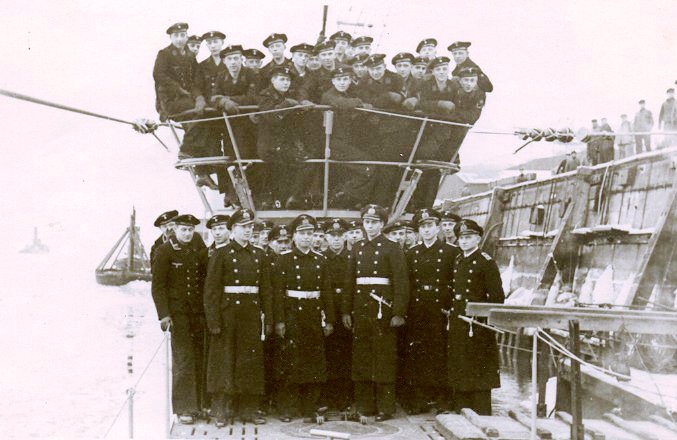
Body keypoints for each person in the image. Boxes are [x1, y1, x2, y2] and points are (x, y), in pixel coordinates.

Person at [203, 209, 273, 426]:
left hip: (251, 315)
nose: (247, 231)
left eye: (250, 227)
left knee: (249, 363)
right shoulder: (221, 254)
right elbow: (211, 291)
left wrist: (268, 319)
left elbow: (266, 290)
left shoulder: (259, 255)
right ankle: (221, 411)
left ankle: (248, 410)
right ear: (233, 229)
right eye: (243, 227)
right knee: (223, 363)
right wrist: (213, 321)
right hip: (227, 316)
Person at [342, 204, 409, 422]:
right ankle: (365, 406)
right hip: (361, 311)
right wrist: (346, 310)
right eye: (367, 222)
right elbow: (350, 282)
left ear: (381, 224)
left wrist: (398, 312)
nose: (369, 226)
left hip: (383, 311)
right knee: (361, 358)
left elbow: (401, 282)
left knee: (383, 358)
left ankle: (385, 408)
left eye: (374, 222)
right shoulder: (358, 247)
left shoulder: (392, 247)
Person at [272, 214, 335, 423]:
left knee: (313, 362)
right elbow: (277, 293)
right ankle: (287, 408)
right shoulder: (284, 259)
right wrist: (280, 320)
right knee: (291, 362)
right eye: (302, 233)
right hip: (292, 314)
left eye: (310, 233)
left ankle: (310, 406)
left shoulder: (320, 259)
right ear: (294, 236)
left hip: (313, 314)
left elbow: (326, 292)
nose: (307, 237)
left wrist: (329, 320)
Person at [151, 214, 208, 425]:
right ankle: (185, 408)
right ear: (175, 229)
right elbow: (158, 286)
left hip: (198, 313)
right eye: (183, 229)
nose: (187, 233)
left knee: (200, 357)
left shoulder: (197, 247)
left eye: (190, 230)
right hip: (178, 314)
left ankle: (200, 405)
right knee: (184, 360)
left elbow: (204, 278)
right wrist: (164, 315)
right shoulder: (164, 251)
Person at [404, 209, 459, 414]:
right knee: (418, 353)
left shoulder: (451, 251)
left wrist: (450, 306)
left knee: (440, 352)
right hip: (418, 307)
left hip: (440, 308)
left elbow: (456, 281)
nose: (426, 230)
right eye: (423, 227)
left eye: (430, 226)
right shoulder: (412, 253)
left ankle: (442, 398)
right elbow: (407, 282)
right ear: (418, 230)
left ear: (437, 228)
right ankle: (419, 399)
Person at [447, 219, 504, 415]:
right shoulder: (458, 260)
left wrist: (484, 319)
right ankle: (461, 408)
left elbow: (497, 296)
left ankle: (481, 410)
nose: (464, 241)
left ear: (478, 239)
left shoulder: (486, 262)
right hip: (459, 321)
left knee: (479, 366)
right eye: (461, 238)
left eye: (468, 237)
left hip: (477, 324)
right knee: (460, 363)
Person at [153, 23, 217, 186]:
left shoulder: (190, 56)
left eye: (183, 35)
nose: (180, 39)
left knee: (205, 115)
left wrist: (199, 97)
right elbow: (159, 76)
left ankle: (202, 171)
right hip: (171, 100)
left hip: (188, 98)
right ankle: (186, 150)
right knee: (199, 114)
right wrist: (180, 90)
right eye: (176, 36)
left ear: (186, 37)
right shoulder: (164, 54)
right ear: (171, 38)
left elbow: (195, 80)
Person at [321, 67, 376, 209]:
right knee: (369, 165)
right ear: (333, 81)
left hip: (345, 143)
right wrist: (360, 102)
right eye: (338, 79)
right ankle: (342, 194)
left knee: (370, 165)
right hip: (333, 144)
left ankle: (345, 196)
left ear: (350, 80)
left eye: (345, 79)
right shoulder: (328, 95)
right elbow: (341, 103)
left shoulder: (348, 94)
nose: (342, 83)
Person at [256, 66, 310, 209]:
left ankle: (293, 198)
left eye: (288, 80)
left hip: (285, 144)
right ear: (273, 80)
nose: (286, 83)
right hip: (269, 145)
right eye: (282, 79)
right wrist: (287, 104)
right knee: (290, 166)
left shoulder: (289, 95)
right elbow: (271, 117)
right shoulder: (265, 95)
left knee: (308, 161)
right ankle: (283, 199)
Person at [321, 218, 353, 412]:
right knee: (328, 354)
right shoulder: (321, 258)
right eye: (332, 235)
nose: (336, 239)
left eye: (340, 235)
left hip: (348, 311)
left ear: (346, 236)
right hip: (328, 310)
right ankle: (328, 397)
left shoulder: (353, 257)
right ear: (326, 237)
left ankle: (345, 398)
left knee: (347, 354)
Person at [199, 31, 227, 99]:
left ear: (222, 42)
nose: (213, 46)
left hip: (226, 100)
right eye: (209, 43)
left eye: (215, 42)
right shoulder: (202, 65)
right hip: (208, 101)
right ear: (207, 45)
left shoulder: (231, 63)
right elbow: (197, 86)